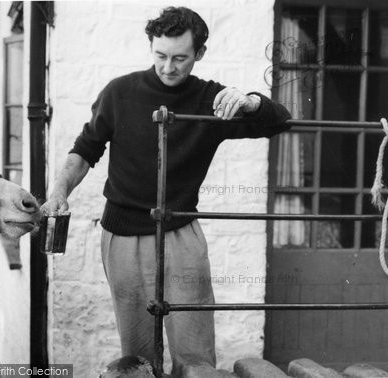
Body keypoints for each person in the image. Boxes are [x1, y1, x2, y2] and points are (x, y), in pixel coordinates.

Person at [41, 7, 291, 377]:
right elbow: (84, 151)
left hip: (181, 235)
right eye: (160, 56)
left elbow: (280, 120)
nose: (168, 67)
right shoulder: (119, 92)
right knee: (137, 354)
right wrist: (59, 190)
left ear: (199, 54)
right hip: (122, 235)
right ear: (151, 48)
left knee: (195, 352)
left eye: (180, 58)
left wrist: (250, 100)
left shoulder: (212, 100)